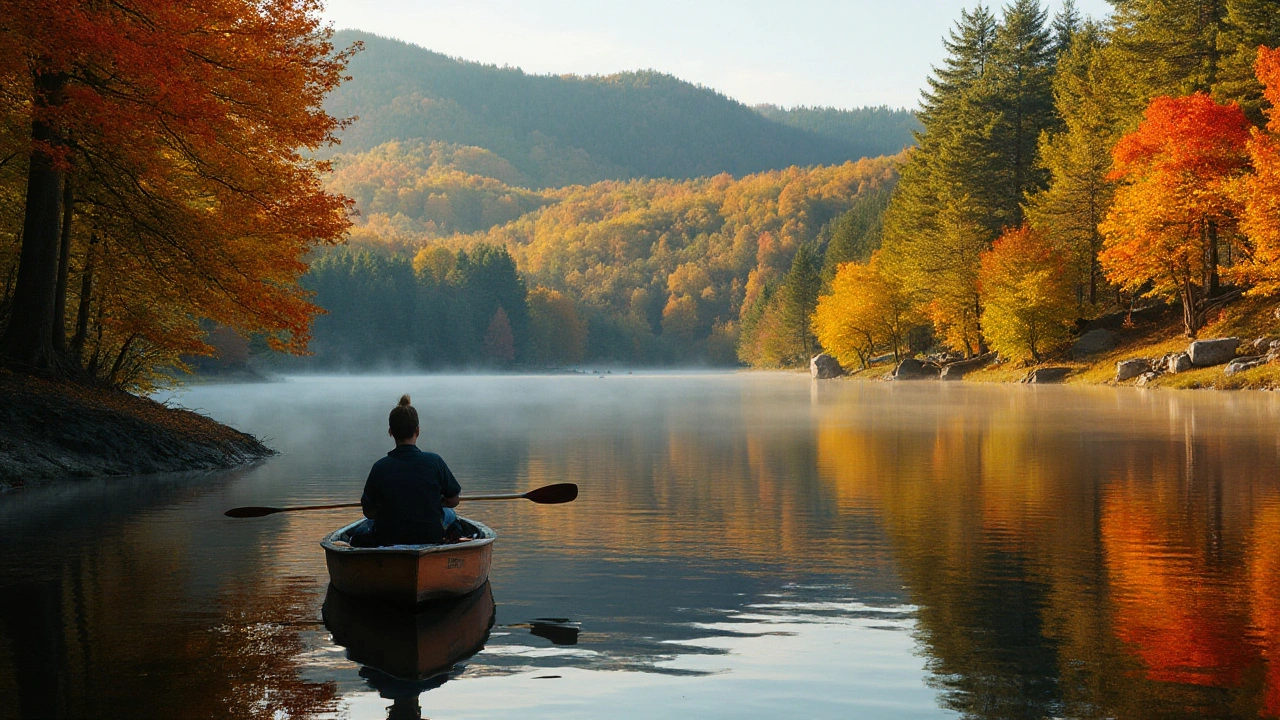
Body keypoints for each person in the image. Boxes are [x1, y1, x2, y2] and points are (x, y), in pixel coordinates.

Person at [350, 394, 462, 547]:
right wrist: (436, 502)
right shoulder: (435, 461)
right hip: (430, 535)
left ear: (390, 432)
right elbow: (454, 500)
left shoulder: (380, 467)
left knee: (363, 529)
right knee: (450, 515)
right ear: (418, 430)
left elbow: (368, 512)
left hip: (388, 537)